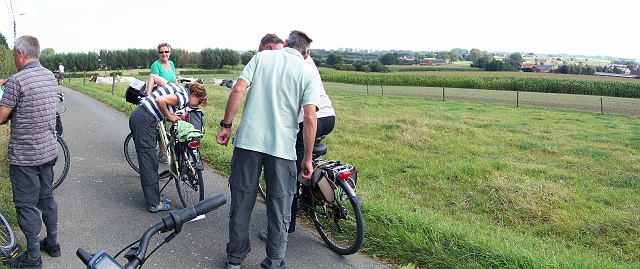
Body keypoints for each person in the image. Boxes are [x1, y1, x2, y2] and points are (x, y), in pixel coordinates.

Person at [216, 30, 320, 269]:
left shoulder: (262, 58)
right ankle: (274, 262)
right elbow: (310, 117)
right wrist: (307, 158)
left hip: (247, 144)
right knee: (280, 208)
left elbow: (238, 89)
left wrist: (226, 126)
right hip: (282, 149)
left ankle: (235, 258)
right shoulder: (308, 71)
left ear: (285, 44)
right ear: (307, 54)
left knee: (241, 202)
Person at [255, 34, 336, 241]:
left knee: (289, 172)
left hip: (308, 121)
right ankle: (311, 194)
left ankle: (286, 226)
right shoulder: (307, 61)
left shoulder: (287, 61)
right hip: (328, 118)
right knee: (303, 159)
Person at [0, 35, 61, 269]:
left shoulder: (17, 81)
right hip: (47, 151)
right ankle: (53, 244)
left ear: (21, 54)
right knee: (46, 198)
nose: (14, 58)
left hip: (25, 157)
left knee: (25, 204)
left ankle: (33, 257)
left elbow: (1, 117)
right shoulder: (48, 76)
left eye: (15, 54)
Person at [129, 81, 208, 213]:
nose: (196, 105)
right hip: (143, 120)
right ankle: (154, 204)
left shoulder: (180, 89)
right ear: (194, 94)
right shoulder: (184, 96)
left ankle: (156, 196)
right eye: (198, 102)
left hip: (144, 117)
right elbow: (160, 100)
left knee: (152, 161)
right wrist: (169, 116)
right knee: (148, 162)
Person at [146, 43, 176, 164]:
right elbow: (155, 83)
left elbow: (174, 79)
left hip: (171, 96)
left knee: (172, 123)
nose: (164, 54)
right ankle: (162, 151)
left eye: (166, 52)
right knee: (161, 124)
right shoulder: (156, 65)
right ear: (158, 54)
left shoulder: (171, 64)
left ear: (169, 53)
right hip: (161, 97)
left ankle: (172, 148)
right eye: (161, 52)